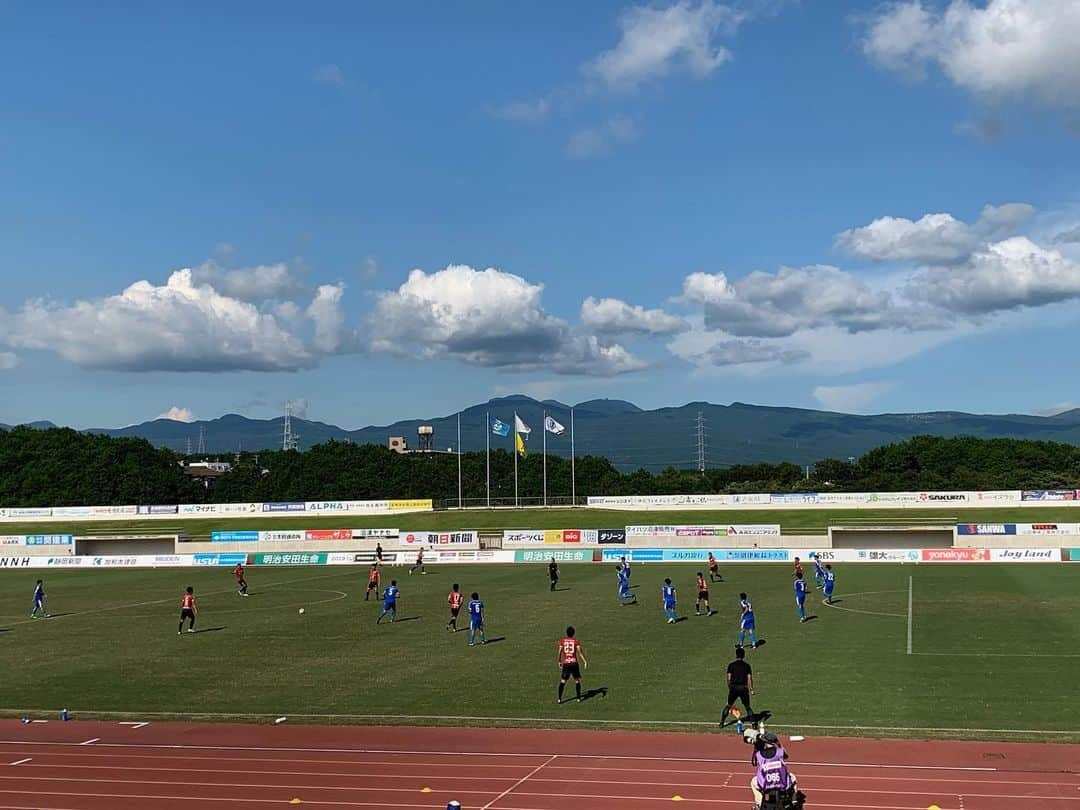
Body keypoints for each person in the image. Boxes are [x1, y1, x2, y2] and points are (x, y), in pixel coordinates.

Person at [750, 733, 798, 810]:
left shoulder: (759, 754)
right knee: (794, 778)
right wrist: (778, 745)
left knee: (753, 782)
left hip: (766, 784)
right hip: (782, 783)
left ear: (765, 742)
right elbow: (786, 756)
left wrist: (757, 746)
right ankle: (794, 801)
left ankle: (758, 804)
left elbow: (754, 762)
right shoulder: (780, 752)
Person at [721, 646, 753, 728]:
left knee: (728, 705)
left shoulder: (731, 665)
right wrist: (751, 689)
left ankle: (722, 723)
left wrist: (730, 687)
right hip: (743, 688)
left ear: (736, 655)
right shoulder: (747, 666)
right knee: (747, 707)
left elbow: (728, 678)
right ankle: (754, 724)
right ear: (744, 655)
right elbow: (749, 678)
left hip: (734, 687)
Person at [556, 625, 588, 705]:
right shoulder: (575, 641)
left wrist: (559, 661)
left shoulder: (562, 641)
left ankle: (559, 699)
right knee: (577, 680)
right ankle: (578, 698)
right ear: (574, 633)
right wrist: (585, 661)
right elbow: (579, 652)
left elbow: (559, 652)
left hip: (566, 663)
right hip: (574, 663)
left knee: (563, 681)